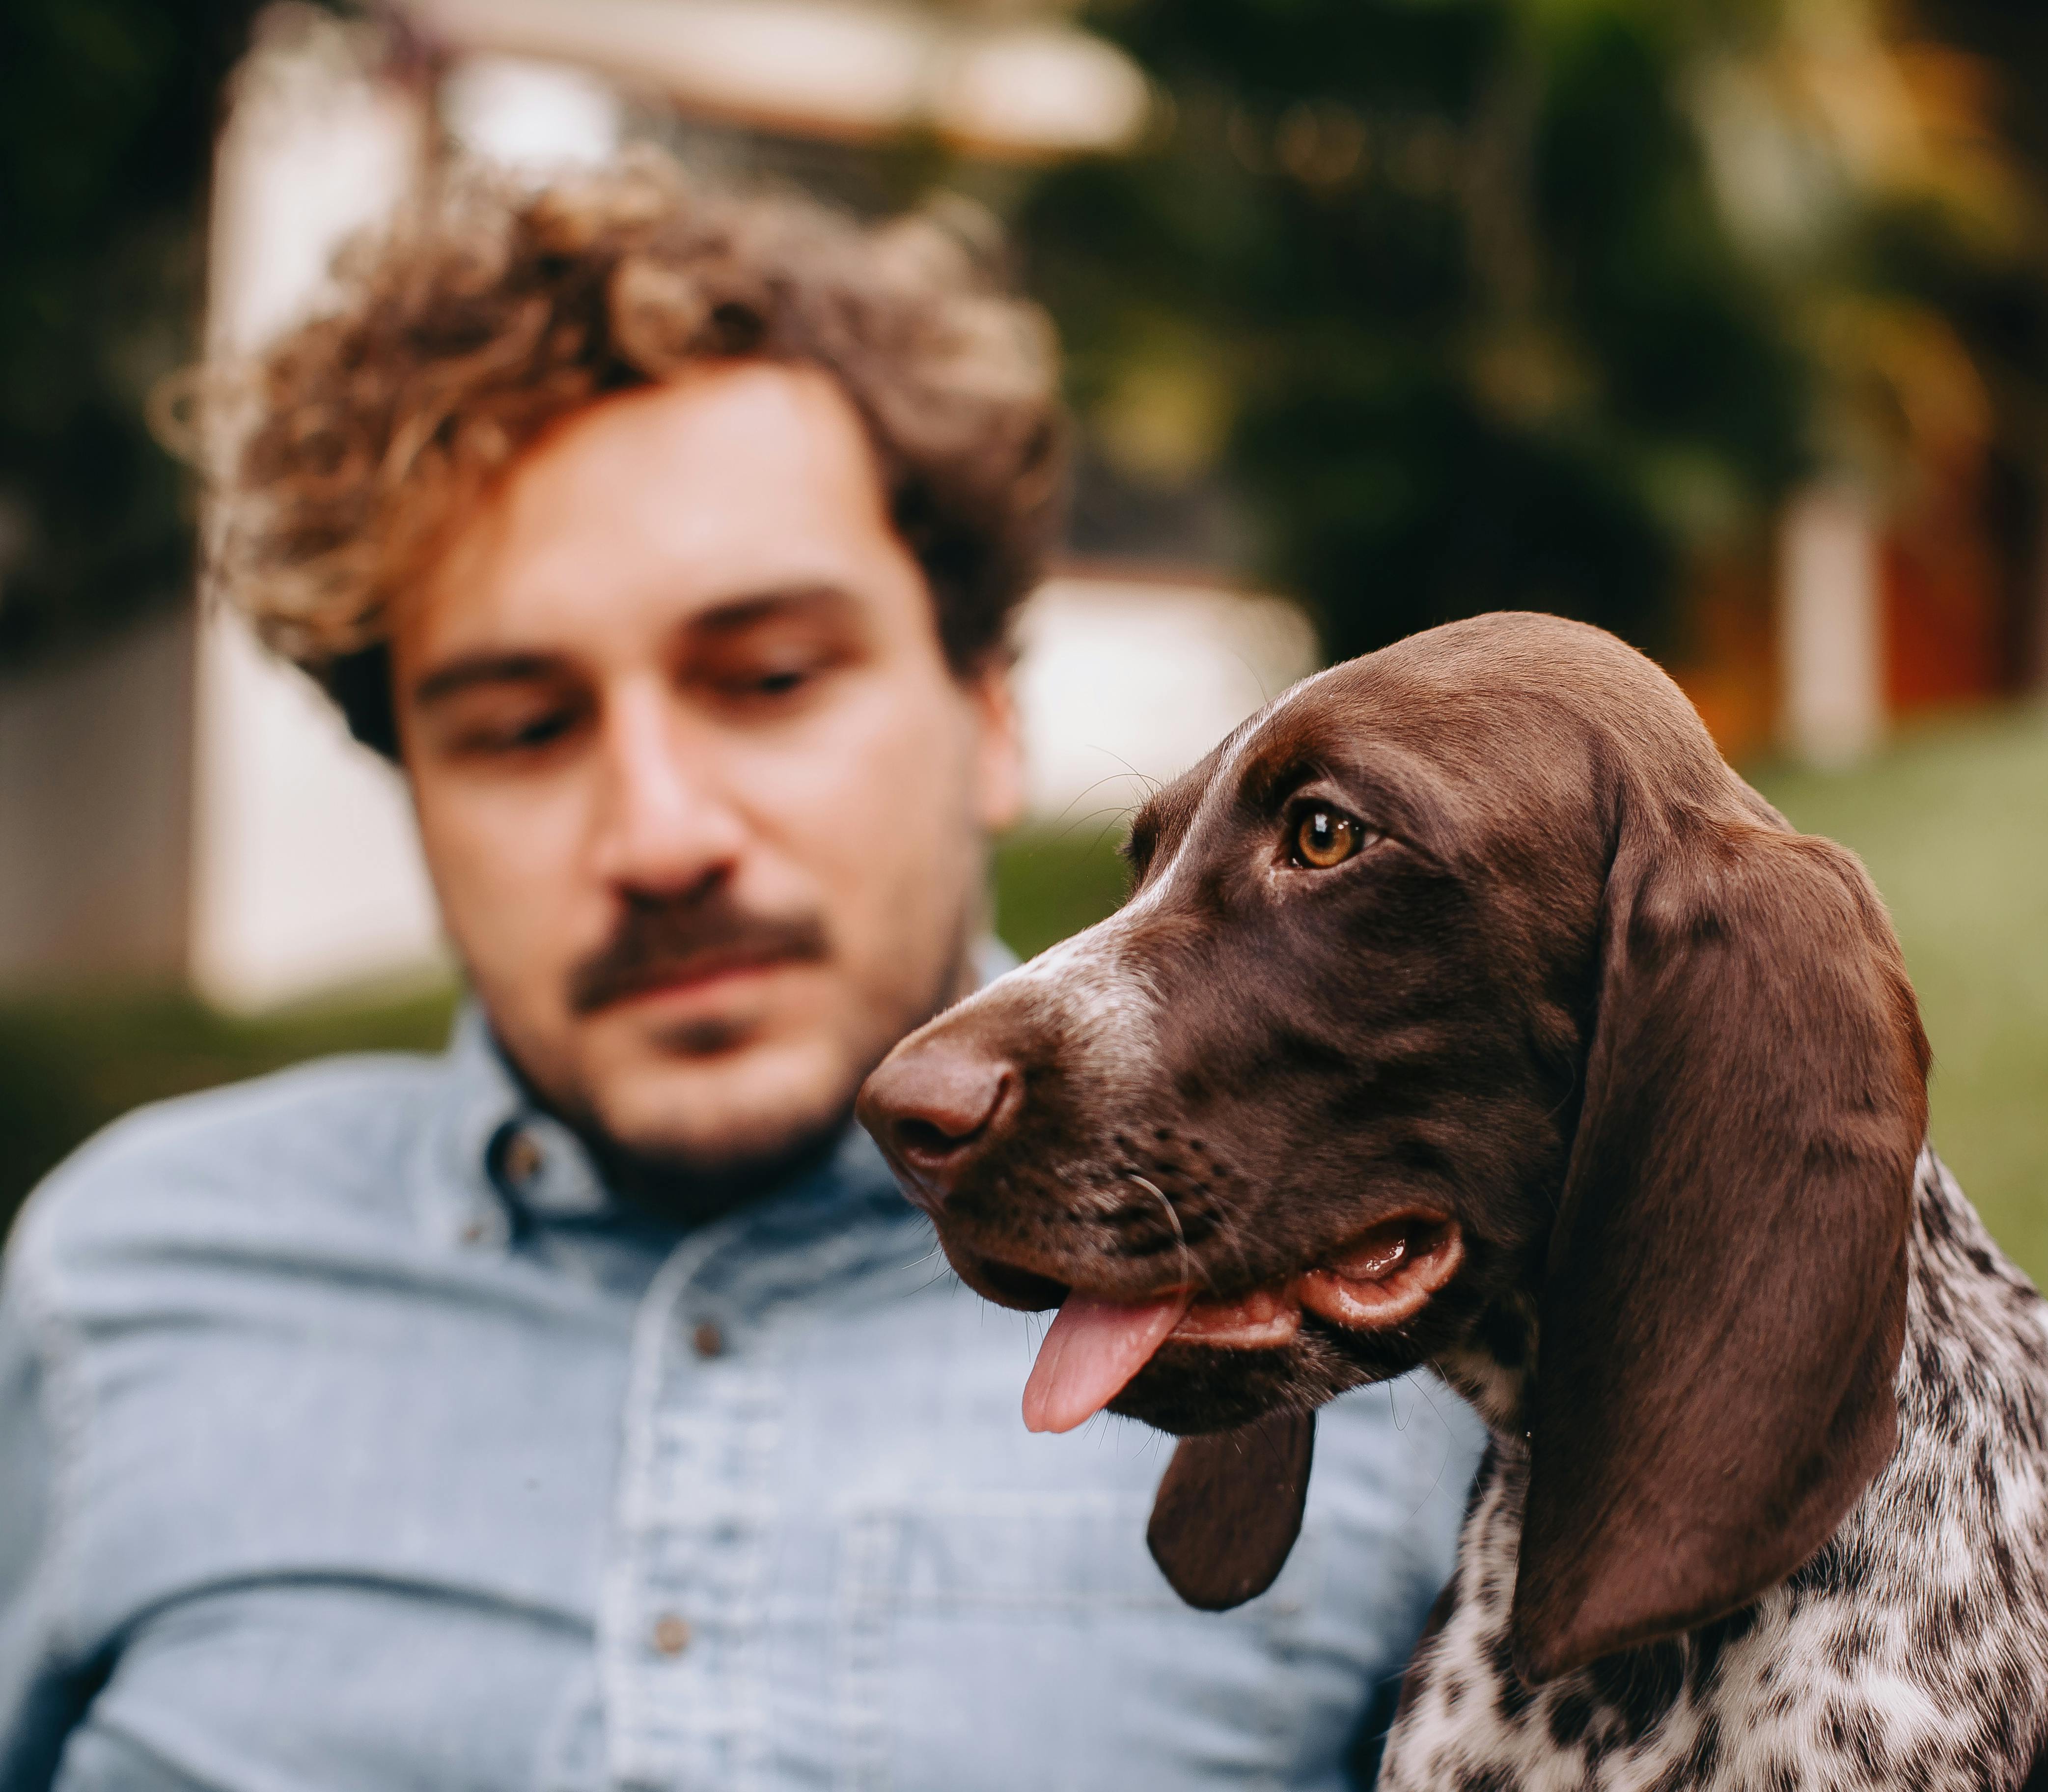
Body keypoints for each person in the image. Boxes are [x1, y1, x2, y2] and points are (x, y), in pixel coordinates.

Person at [0, 158, 1475, 1792]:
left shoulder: (1391, 1315)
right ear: (412, 789)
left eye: (767, 677)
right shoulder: (122, 1285)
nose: (660, 833)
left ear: (990, 709)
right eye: (521, 729)